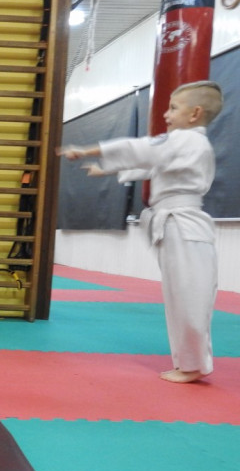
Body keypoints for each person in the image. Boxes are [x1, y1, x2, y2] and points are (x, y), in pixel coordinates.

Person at [58, 80, 223, 384]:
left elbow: (143, 149)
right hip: (178, 225)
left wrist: (87, 150)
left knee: (189, 298)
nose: (166, 114)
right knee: (182, 297)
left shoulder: (187, 140)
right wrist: (104, 168)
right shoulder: (185, 144)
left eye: (173, 108)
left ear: (195, 113)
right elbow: (153, 163)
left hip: (184, 225)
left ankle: (192, 365)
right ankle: (190, 362)